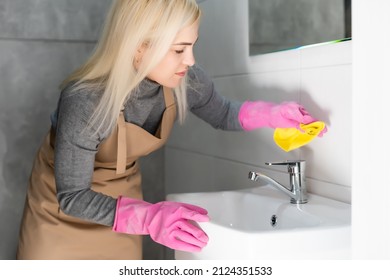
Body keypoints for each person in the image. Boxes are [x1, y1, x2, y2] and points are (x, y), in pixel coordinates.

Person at [16, 0, 326, 260]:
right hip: (60, 213)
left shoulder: (187, 80)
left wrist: (271, 115)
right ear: (139, 48)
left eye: (192, 46)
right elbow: (72, 196)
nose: (190, 60)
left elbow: (222, 113)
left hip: (124, 209)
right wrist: (149, 217)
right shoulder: (85, 100)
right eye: (179, 49)